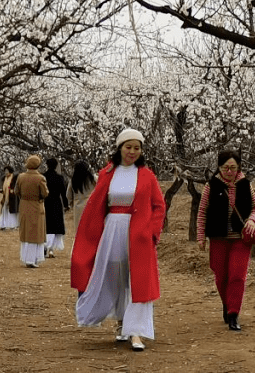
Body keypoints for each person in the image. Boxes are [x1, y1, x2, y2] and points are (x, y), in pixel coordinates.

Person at [71, 129, 166, 352]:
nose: (132, 151)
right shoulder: (107, 173)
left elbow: (159, 206)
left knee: (138, 280)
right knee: (116, 277)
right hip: (112, 230)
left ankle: (136, 332)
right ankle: (122, 323)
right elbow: (97, 205)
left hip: (139, 235)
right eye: (128, 146)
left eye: (137, 147)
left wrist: (152, 232)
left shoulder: (147, 175)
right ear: (120, 147)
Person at [196, 149, 255, 331]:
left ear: (238, 167)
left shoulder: (246, 184)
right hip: (219, 237)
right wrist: (201, 236)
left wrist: (251, 220)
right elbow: (202, 212)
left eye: (233, 167)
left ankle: (233, 313)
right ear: (219, 168)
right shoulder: (211, 186)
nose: (230, 171)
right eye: (226, 168)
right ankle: (227, 303)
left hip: (240, 238)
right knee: (221, 276)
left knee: (237, 276)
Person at [14, 155, 49, 267]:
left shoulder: (20, 177)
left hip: (24, 205)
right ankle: (32, 259)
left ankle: (25, 257)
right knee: (36, 233)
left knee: (26, 232)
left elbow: (16, 191)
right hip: (36, 206)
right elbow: (45, 193)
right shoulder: (40, 178)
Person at [43, 158, 70, 257]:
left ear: (47, 165)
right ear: (56, 166)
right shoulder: (59, 178)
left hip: (45, 203)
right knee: (55, 226)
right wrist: (66, 205)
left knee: (47, 225)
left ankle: (45, 247)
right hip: (56, 203)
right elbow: (63, 193)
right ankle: (51, 249)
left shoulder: (43, 176)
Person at [67, 160, 97, 227]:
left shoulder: (73, 180)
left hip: (78, 208)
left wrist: (72, 205)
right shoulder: (93, 178)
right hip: (91, 205)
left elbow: (68, 195)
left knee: (79, 230)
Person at [0, 165, 20, 230]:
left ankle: (13, 225)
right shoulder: (4, 178)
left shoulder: (14, 177)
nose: (6, 172)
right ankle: (2, 225)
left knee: (12, 211)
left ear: (10, 171)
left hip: (12, 197)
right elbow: (4, 186)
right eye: (5, 171)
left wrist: (13, 189)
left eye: (7, 171)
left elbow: (16, 186)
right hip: (5, 197)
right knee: (4, 210)